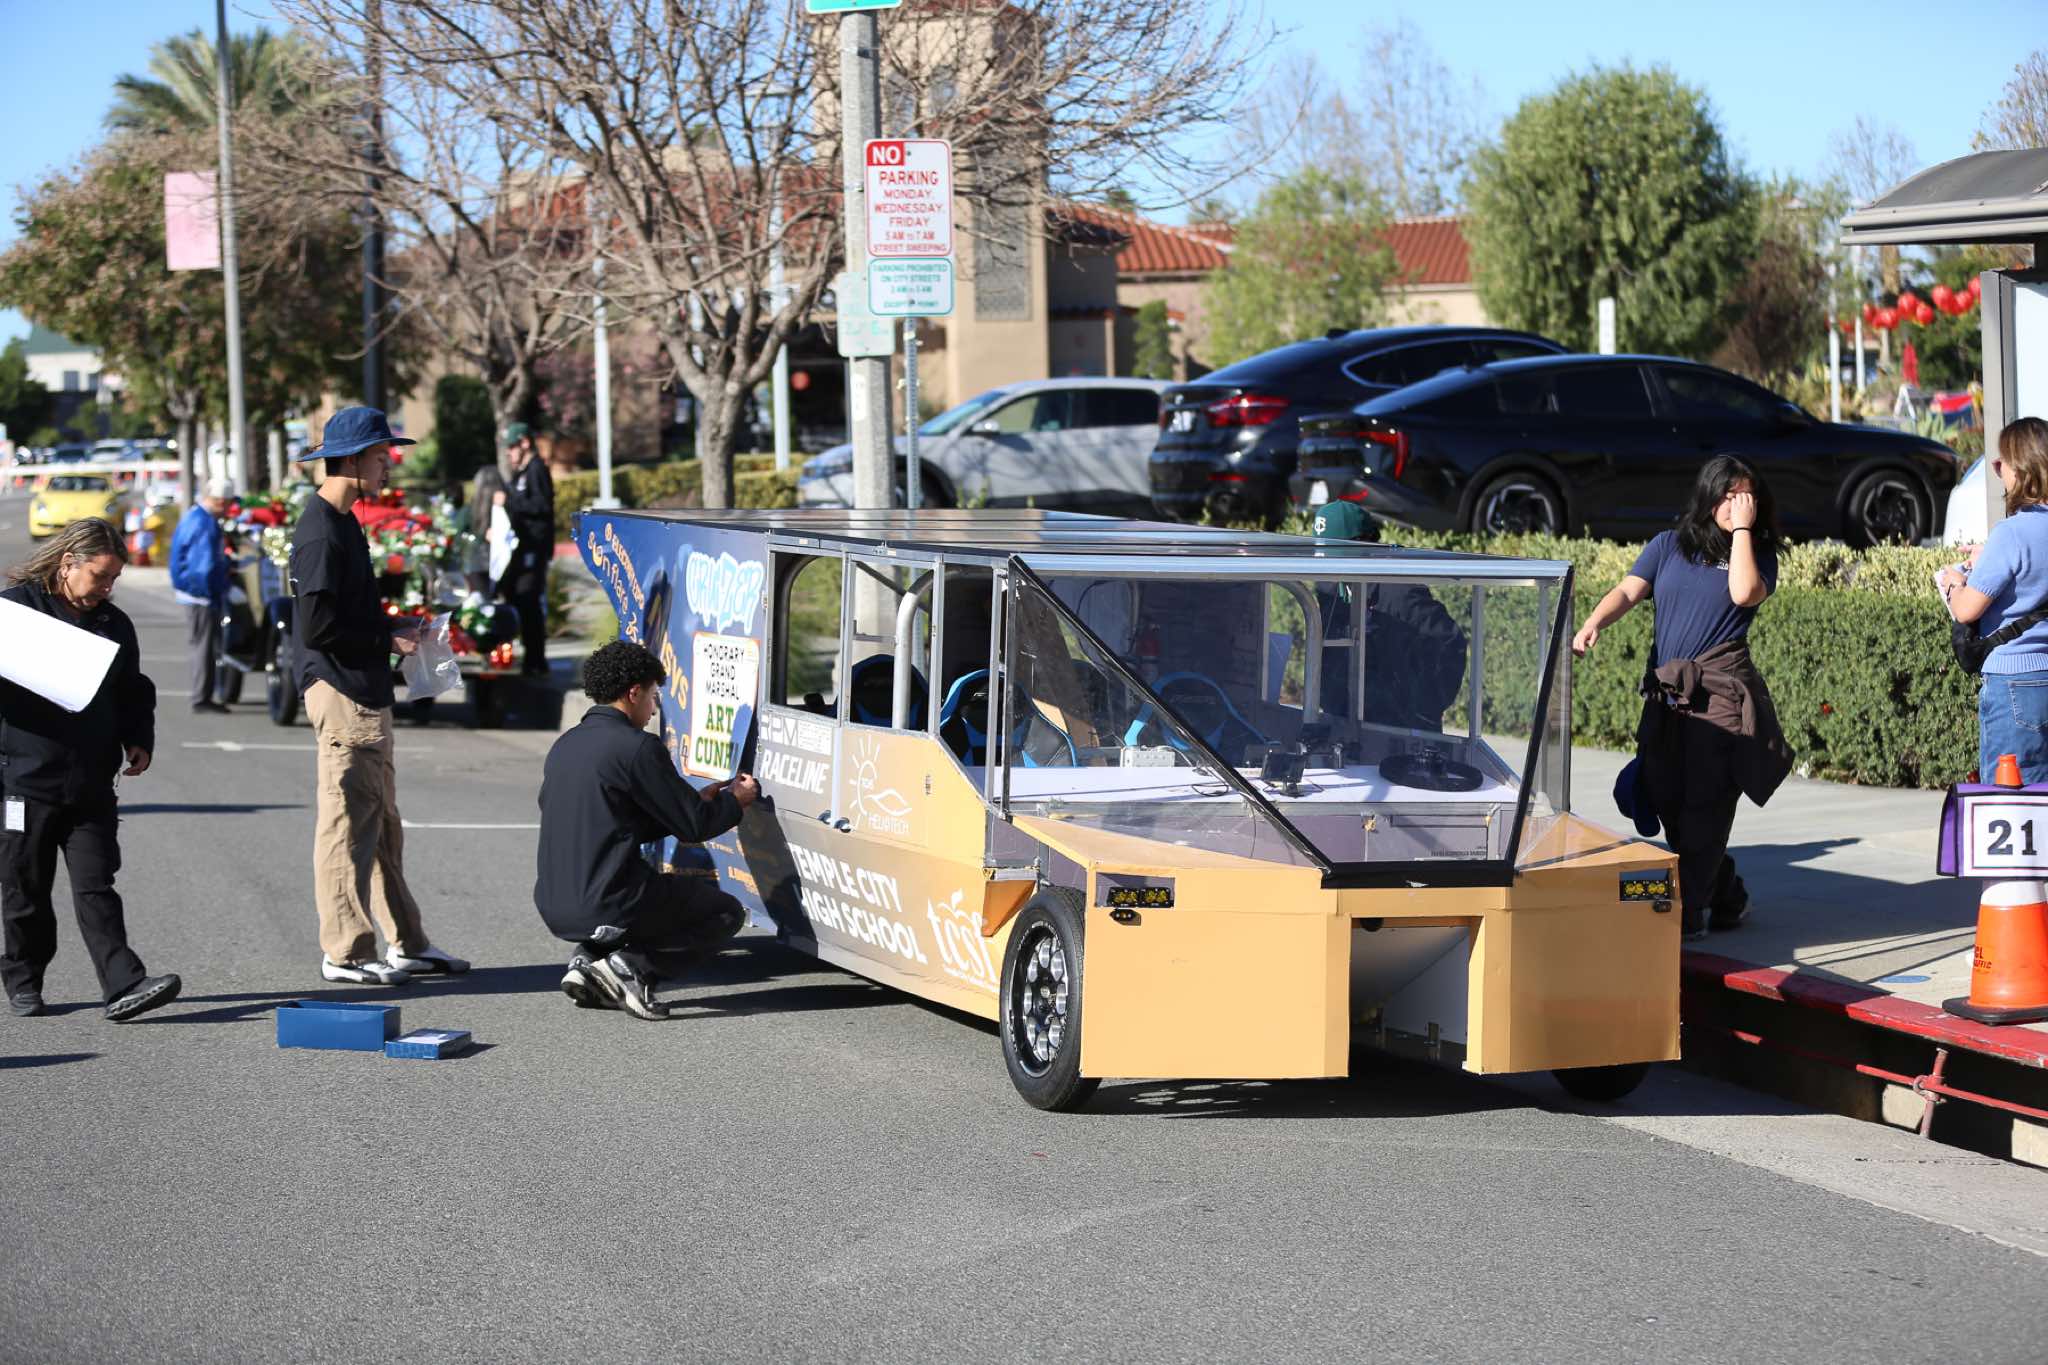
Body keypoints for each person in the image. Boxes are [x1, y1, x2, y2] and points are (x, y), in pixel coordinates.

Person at [1573, 457, 1792, 939]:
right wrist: (1594, 622)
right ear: (1708, 496)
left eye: (1746, 497)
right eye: (1728, 496)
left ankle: (1687, 916)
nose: (1737, 505)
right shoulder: (1667, 545)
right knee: (1662, 793)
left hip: (1720, 696)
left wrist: (1742, 531)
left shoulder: (1757, 553)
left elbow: (1743, 593)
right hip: (1668, 694)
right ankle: (1727, 893)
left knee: (1705, 805)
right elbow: (1627, 591)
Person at [291, 406, 470, 986]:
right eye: (379, 455)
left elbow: (344, 615)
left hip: (362, 690)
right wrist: (385, 636)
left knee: (381, 823)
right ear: (349, 461)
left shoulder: (343, 521)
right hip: (342, 690)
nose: (388, 465)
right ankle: (345, 951)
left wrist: (395, 626)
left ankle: (407, 943)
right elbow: (317, 628)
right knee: (346, 825)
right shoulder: (321, 529)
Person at [0, 518, 182, 1020]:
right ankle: (23, 978)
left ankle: (125, 985)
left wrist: (138, 738)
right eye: (100, 576)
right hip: (24, 778)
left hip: (90, 781)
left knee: (96, 885)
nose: (106, 588)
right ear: (68, 564)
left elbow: (132, 690)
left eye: (114, 579)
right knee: (25, 889)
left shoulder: (113, 624)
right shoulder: (15, 613)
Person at [535, 640, 760, 1020]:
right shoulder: (637, 746)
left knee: (652, 893)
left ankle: (589, 959)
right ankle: (631, 970)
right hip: (607, 902)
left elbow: (615, 823)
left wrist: (693, 802)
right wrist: (736, 800)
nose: (654, 708)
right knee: (723, 912)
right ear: (634, 692)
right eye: (654, 696)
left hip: (555, 903)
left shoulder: (567, 743)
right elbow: (695, 826)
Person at [1941, 417, 2048, 781]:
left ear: (2021, 469)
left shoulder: (2010, 533)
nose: (1997, 469)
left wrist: (1954, 583)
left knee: (2009, 797)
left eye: (2002, 462)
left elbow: (1965, 609)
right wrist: (1987, 558)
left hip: (2013, 681)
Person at [170, 477, 236, 714]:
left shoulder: (196, 517)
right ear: (220, 502)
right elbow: (203, 568)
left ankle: (203, 694)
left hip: (194, 593)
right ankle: (201, 697)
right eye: (228, 503)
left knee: (203, 645)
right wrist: (215, 592)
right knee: (204, 647)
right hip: (200, 596)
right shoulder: (205, 524)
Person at [497, 423, 554, 677]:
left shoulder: (536, 469)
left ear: (524, 443)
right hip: (521, 549)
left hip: (534, 549)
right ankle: (528, 657)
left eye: (512, 446)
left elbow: (541, 506)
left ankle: (536, 661)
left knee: (529, 600)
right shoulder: (521, 473)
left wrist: (511, 500)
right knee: (515, 597)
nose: (508, 452)